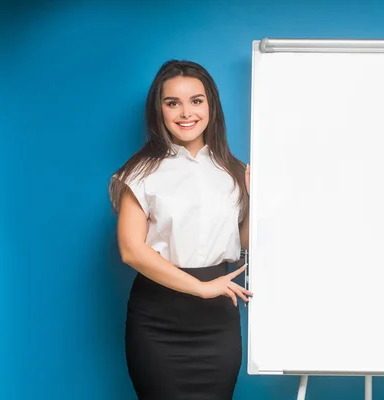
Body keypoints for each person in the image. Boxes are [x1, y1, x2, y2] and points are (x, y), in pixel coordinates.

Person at [108, 60, 253, 400]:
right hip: (158, 320)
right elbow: (131, 250)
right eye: (172, 102)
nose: (185, 112)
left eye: (196, 100)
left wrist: (254, 200)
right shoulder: (140, 172)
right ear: (158, 110)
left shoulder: (233, 171)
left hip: (218, 323)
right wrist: (200, 289)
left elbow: (240, 240)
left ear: (211, 106)